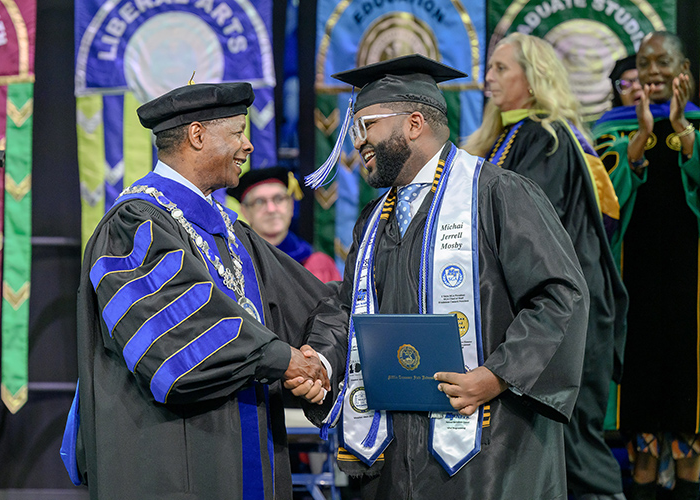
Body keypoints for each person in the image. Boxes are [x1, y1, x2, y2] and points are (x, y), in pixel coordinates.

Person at [291, 53, 589, 499]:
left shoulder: (497, 194)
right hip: (396, 454)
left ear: (413, 124)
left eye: (367, 125)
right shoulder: (374, 220)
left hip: (491, 449)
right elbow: (348, 304)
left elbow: (560, 296)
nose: (358, 142)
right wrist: (323, 362)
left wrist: (497, 374)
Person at [64, 81, 342, 499]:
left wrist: (316, 360)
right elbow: (178, 341)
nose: (248, 145)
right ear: (197, 135)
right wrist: (283, 359)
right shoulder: (134, 227)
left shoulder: (233, 235)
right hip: (174, 469)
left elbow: (324, 303)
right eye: (237, 133)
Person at [462, 33, 629, 500]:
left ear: (533, 80)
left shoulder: (549, 137)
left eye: (501, 69)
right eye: (489, 67)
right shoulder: (498, 139)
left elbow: (529, 231)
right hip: (531, 315)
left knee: (575, 447)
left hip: (564, 315)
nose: (488, 77)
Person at [592, 31, 700, 500]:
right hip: (632, 286)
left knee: (688, 414)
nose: (653, 71)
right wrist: (637, 144)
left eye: (664, 62)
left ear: (684, 71)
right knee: (641, 427)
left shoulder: (699, 126)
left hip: (691, 292)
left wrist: (684, 135)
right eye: (645, 62)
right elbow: (601, 207)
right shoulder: (610, 130)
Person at [226, 167, 341, 282]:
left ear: (291, 205)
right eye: (259, 201)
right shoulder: (235, 263)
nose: (271, 209)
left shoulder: (318, 264)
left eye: (279, 198)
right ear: (245, 212)